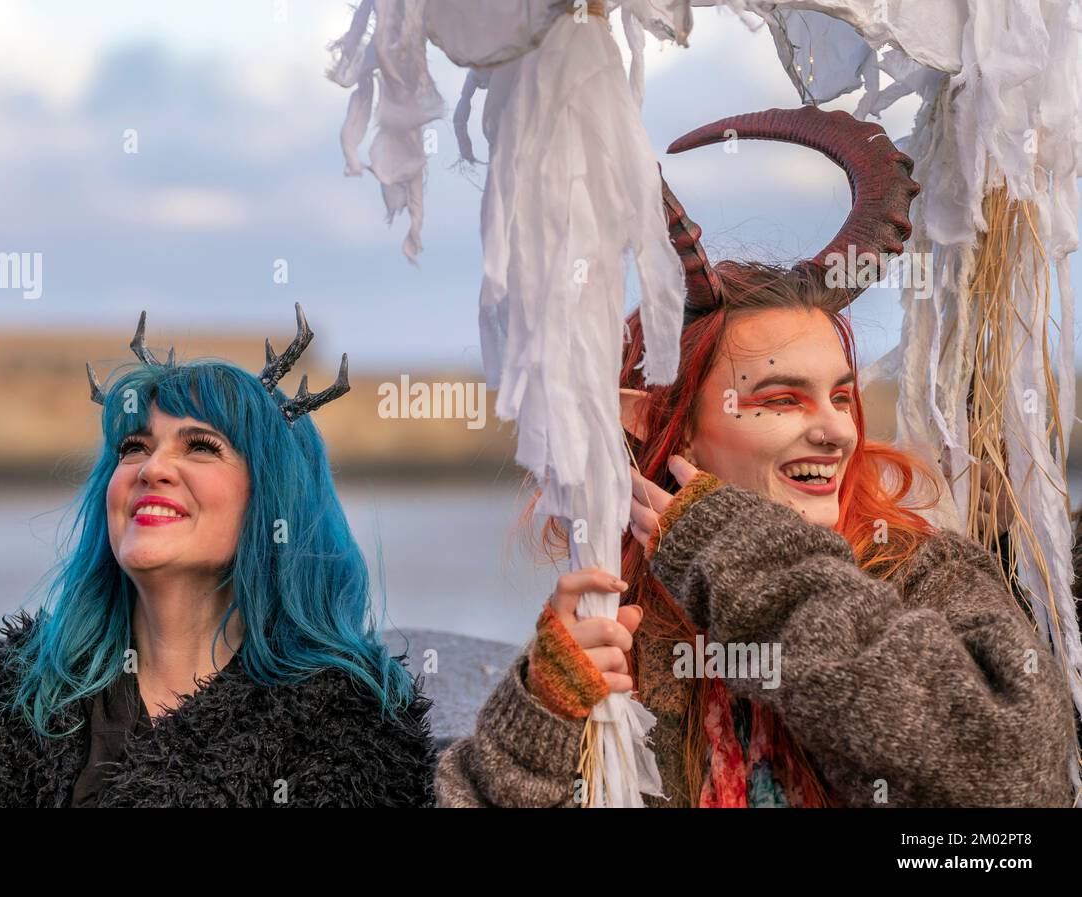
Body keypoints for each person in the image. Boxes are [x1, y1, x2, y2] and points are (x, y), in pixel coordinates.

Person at [436, 107, 1077, 808]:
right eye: (782, 399)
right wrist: (543, 719)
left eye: (840, 395)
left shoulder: (925, 578)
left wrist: (747, 563)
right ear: (666, 426)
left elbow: (1015, 780)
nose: (836, 430)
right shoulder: (628, 625)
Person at [0, 307, 436, 807]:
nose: (153, 468)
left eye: (201, 446)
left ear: (274, 502)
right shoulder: (27, 689)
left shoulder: (345, 717)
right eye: (133, 446)